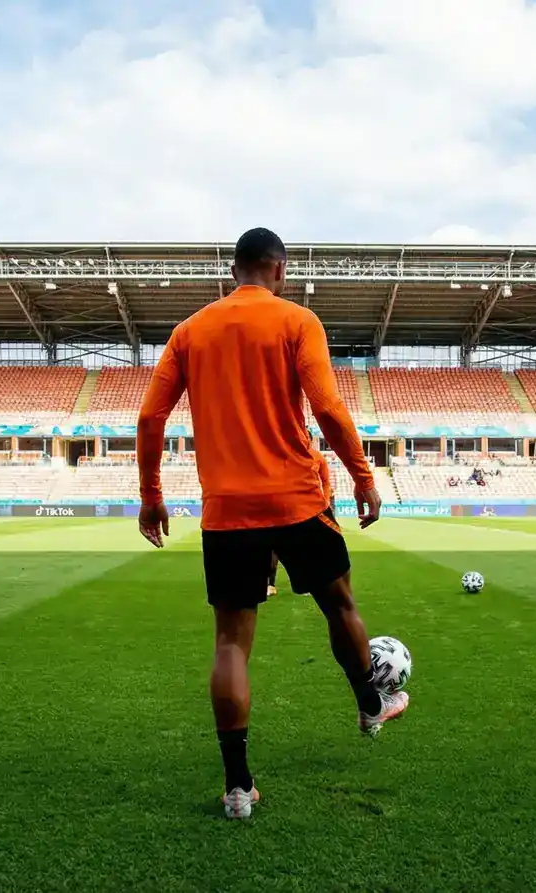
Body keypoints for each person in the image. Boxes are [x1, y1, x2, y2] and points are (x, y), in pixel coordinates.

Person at [137, 227, 404, 821]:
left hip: (227, 507)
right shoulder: (297, 321)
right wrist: (363, 475)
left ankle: (238, 787)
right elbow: (328, 408)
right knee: (340, 606)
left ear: (233, 271)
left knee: (230, 642)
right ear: (279, 270)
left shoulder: (190, 330)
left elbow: (150, 416)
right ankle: (369, 705)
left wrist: (151, 494)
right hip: (297, 499)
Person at [268, 452, 333, 597]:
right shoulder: (286, 453)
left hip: (308, 508)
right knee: (273, 549)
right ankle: (270, 584)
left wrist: (326, 502)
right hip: (282, 507)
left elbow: (326, 481)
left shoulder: (318, 457)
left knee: (306, 548)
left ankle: (307, 584)